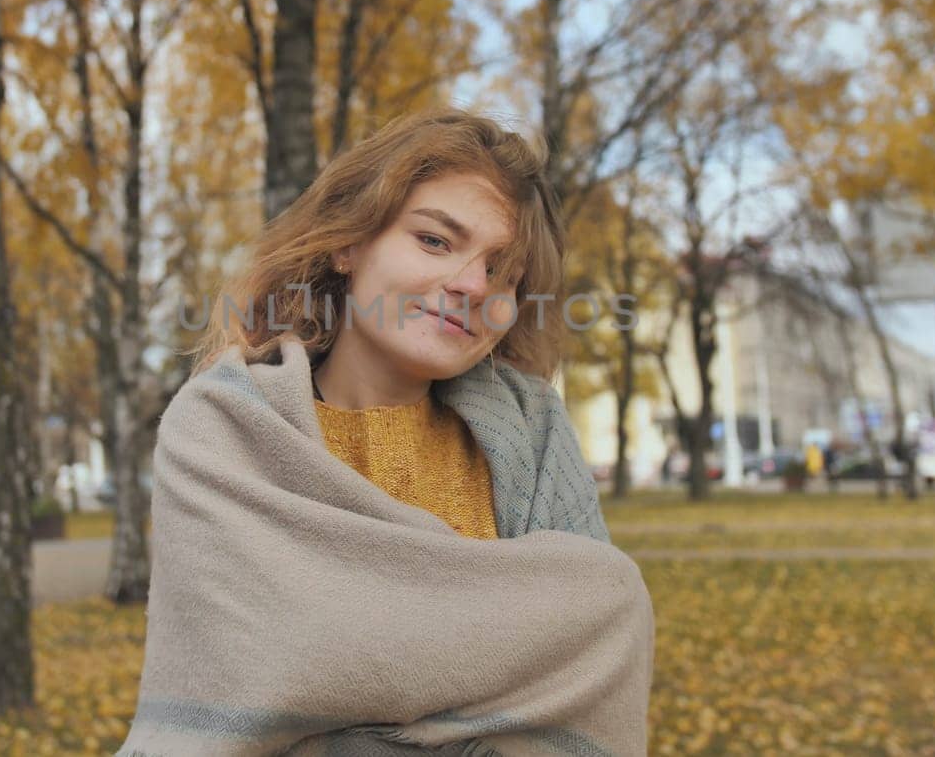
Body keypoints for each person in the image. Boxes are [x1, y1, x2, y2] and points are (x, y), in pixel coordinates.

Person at [118, 110, 654, 755]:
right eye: (435, 241)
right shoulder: (224, 428)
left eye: (505, 273)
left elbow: (593, 627)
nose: (472, 285)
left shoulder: (534, 433)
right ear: (349, 245)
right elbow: (258, 665)